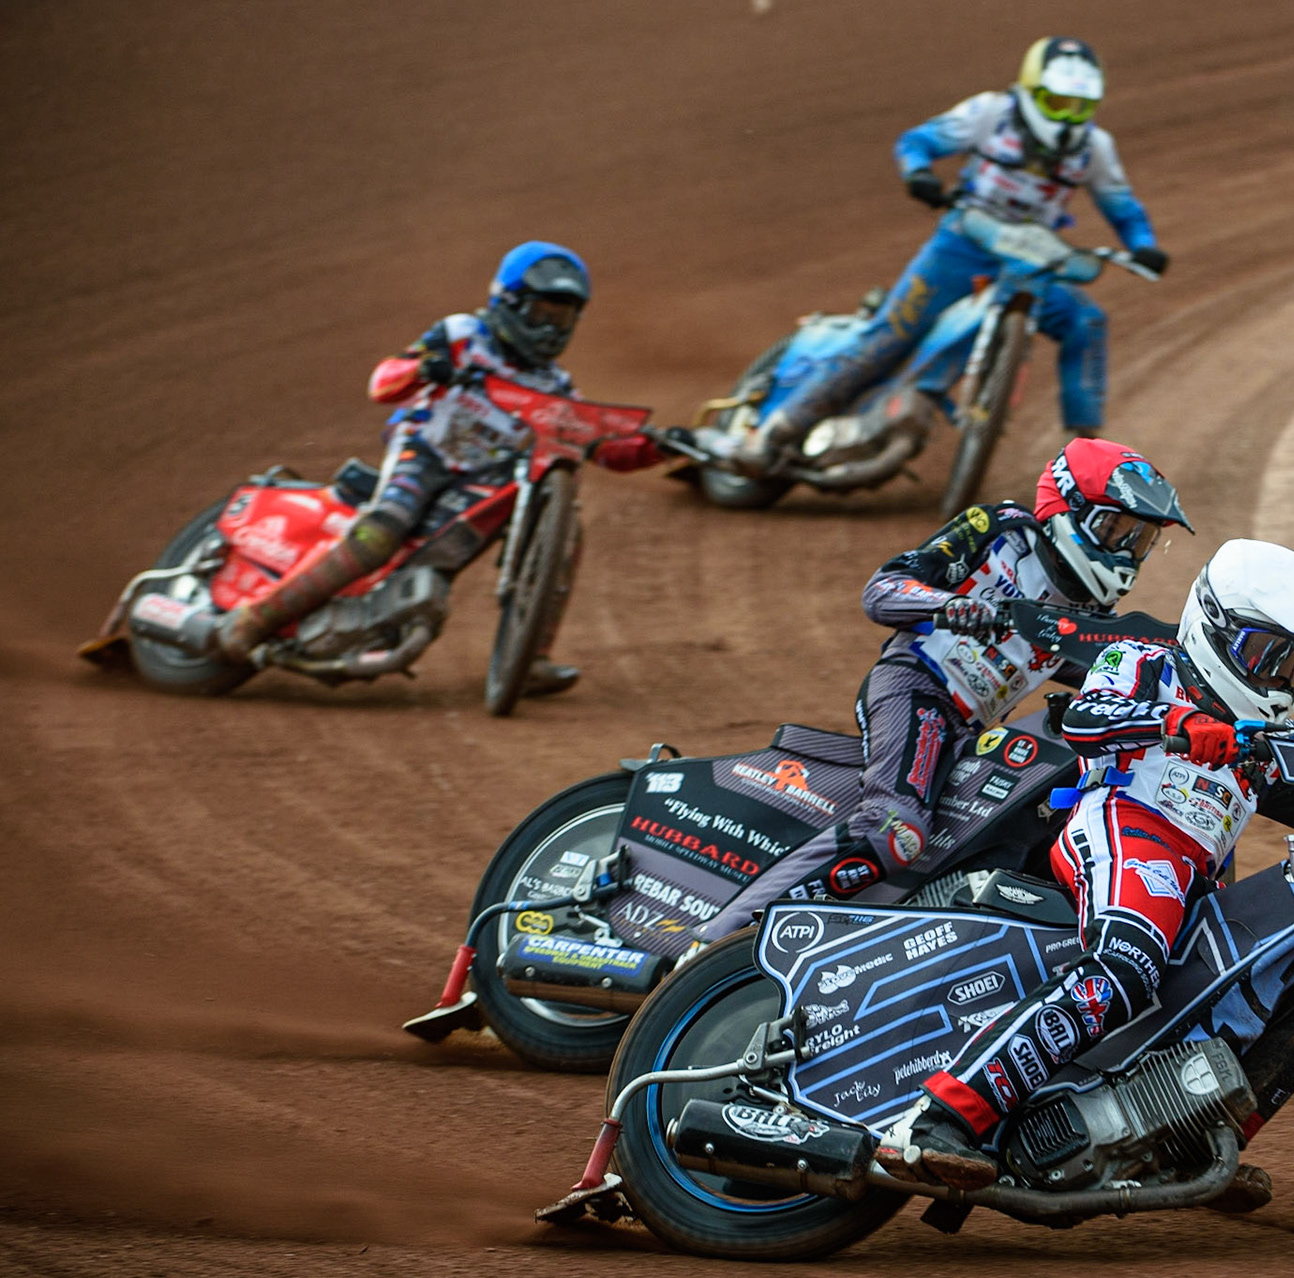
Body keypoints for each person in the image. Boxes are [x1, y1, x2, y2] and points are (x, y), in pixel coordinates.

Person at [878, 539, 1294, 1191]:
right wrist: (1174, 727)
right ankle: (938, 1119)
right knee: (1127, 966)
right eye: (1267, 655)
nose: (1280, 679)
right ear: (1213, 629)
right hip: (1122, 828)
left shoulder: (1277, 738)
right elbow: (1087, 717)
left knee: (1280, 982)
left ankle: (1184, 1139)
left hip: (1195, 877)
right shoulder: (1146, 661)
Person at [696, 437, 1190, 938]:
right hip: (915, 685)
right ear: (1070, 507)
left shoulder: (1088, 611)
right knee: (895, 831)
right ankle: (719, 942)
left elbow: (1098, 669)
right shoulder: (1000, 529)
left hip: (969, 730)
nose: (1129, 551)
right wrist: (950, 607)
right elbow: (882, 590)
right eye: (1118, 529)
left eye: (1142, 539)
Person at [216, 241, 664, 692]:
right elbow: (384, 382)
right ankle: (254, 619)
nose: (550, 329)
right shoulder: (462, 336)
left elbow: (606, 450)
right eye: (541, 313)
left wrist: (665, 447)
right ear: (508, 301)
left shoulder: (557, 386)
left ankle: (532, 657)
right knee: (383, 532)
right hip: (424, 451)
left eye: (563, 318)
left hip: (480, 482)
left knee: (567, 531)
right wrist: (426, 368)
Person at [738, 36, 1165, 474]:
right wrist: (918, 174)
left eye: (1080, 106)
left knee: (1086, 322)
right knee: (888, 337)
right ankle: (776, 429)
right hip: (961, 246)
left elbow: (1122, 206)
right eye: (1056, 102)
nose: (1068, 117)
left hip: (1030, 264)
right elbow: (917, 141)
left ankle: (1086, 455)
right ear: (1031, 91)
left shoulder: (1096, 148)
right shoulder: (990, 113)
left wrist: (1144, 244)